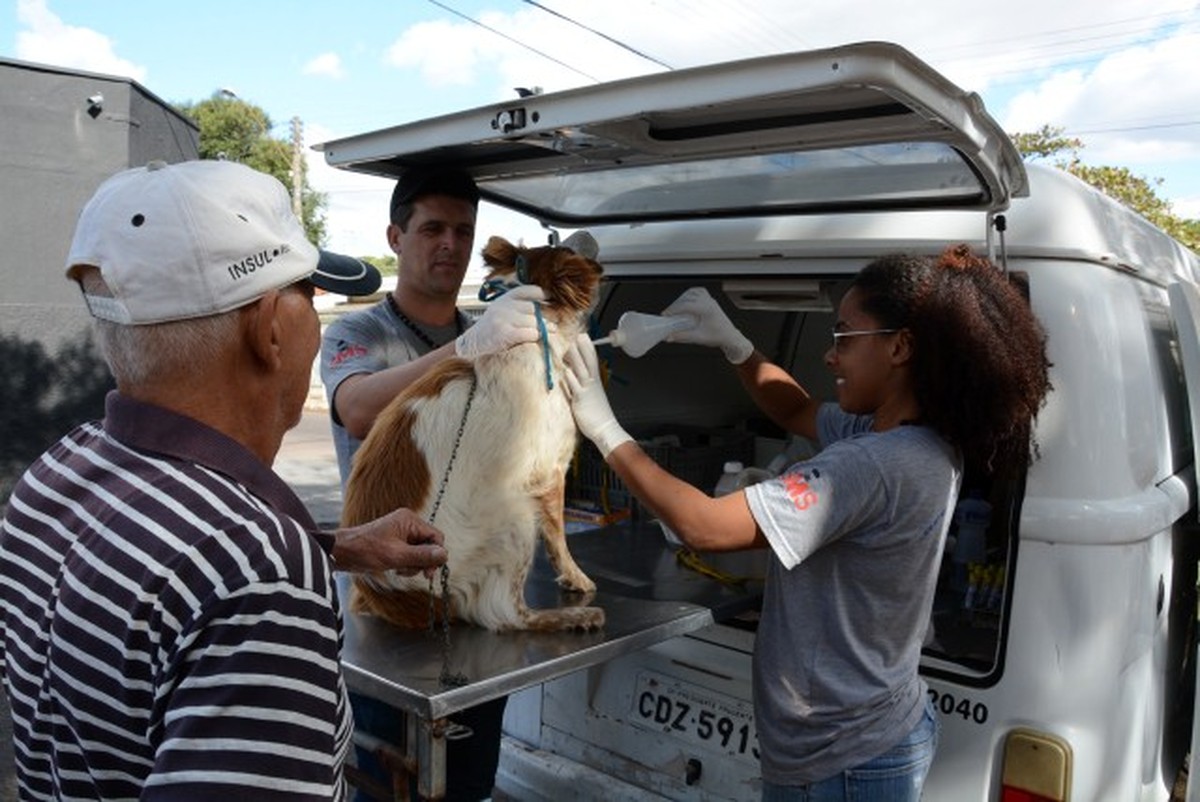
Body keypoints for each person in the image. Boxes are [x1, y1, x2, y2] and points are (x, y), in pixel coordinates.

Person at [0, 159, 449, 801]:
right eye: (310, 296)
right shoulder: (261, 574)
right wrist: (289, 559)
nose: (315, 320)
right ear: (269, 328)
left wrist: (338, 546)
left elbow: (157, 570)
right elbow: (221, 575)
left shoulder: (57, 473)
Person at [563, 245, 1052, 801]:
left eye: (844, 337)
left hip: (842, 762)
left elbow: (706, 527)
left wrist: (606, 430)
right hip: (872, 733)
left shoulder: (870, 464)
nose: (830, 356)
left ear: (901, 346)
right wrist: (737, 347)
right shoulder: (913, 439)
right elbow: (796, 411)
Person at [320, 166, 538, 801]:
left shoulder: (490, 331)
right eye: (432, 228)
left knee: (469, 784)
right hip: (387, 610)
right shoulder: (358, 331)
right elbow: (358, 409)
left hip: (474, 607)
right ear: (395, 235)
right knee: (389, 787)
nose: (450, 243)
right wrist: (468, 349)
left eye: (463, 231)